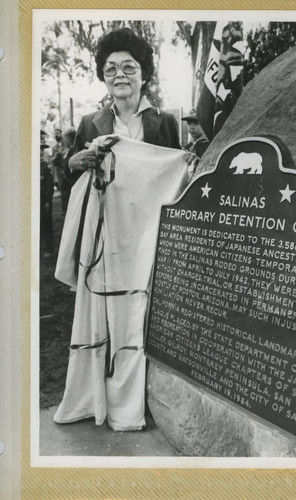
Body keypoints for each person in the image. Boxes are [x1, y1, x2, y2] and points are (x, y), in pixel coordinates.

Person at [54, 28, 189, 432]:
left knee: (142, 316)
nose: (120, 74)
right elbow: (73, 185)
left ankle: (140, 401)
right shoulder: (91, 123)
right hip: (106, 238)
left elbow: (176, 177)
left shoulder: (166, 122)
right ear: (103, 75)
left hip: (150, 240)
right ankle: (101, 398)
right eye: (111, 68)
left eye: (128, 66)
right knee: (105, 316)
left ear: (143, 73)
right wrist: (75, 162)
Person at [40, 135, 54, 258]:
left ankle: (49, 249)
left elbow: (50, 185)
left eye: (41, 149)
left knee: (47, 225)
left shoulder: (45, 166)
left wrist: (48, 201)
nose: (39, 152)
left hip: (44, 200)